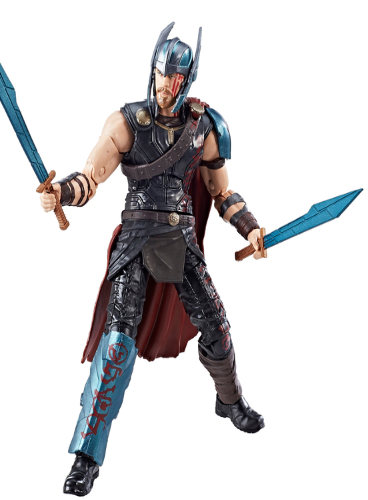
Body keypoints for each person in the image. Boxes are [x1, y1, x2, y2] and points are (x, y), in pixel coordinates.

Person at [40, 22, 265, 497]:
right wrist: (61, 192)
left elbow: (221, 193)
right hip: (137, 238)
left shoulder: (205, 127)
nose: (166, 85)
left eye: (175, 78)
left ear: (188, 79)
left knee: (218, 326)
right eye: (162, 74)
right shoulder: (127, 122)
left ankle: (230, 401)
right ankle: (86, 457)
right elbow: (91, 176)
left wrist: (250, 226)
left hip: (180, 240)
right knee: (117, 345)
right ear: (153, 71)